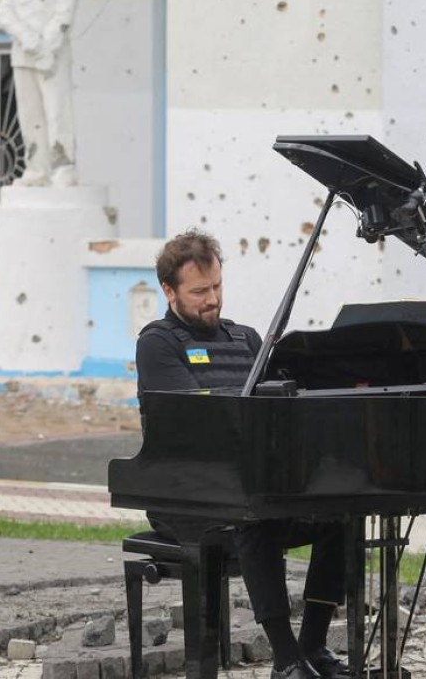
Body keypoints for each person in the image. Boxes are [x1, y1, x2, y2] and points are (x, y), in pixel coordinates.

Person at [135, 230, 347, 679]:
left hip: (247, 486)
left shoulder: (247, 339)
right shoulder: (158, 343)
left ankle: (312, 647)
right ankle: (286, 661)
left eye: (216, 287)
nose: (211, 300)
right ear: (169, 291)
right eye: (198, 292)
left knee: (339, 516)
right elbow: (200, 419)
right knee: (254, 520)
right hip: (182, 497)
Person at [0, 0, 78, 187]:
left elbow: (64, 14)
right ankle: (36, 168)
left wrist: (46, 45)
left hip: (52, 54)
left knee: (57, 112)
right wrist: (28, 38)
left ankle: (63, 165)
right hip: (24, 52)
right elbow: (5, 12)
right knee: (30, 114)